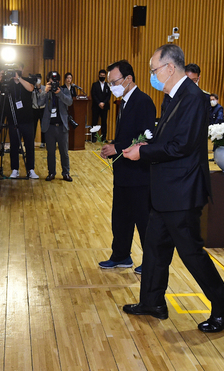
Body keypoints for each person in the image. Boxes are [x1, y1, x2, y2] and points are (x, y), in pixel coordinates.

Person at [122, 44, 224, 333]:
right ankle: (152, 302)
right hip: (166, 190)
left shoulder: (194, 98)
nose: (152, 75)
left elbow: (182, 145)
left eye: (154, 70)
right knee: (154, 248)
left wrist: (144, 152)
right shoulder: (173, 98)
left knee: (192, 255)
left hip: (182, 192)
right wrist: (146, 146)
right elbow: (168, 139)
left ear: (170, 68)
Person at [98, 60, 156, 273]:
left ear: (129, 79)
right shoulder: (123, 102)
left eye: (114, 81)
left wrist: (117, 147)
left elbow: (146, 138)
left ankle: (151, 261)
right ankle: (121, 255)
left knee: (143, 219)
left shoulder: (143, 102)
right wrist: (112, 147)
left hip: (139, 174)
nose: (112, 86)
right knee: (120, 217)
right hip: (123, 172)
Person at [0, 63, 39, 179]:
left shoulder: (27, 80)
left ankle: (31, 169)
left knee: (29, 146)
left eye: (18, 69)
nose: (16, 72)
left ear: (22, 69)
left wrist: (18, 78)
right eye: (14, 70)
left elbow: (30, 88)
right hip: (13, 120)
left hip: (28, 120)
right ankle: (15, 169)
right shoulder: (8, 83)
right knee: (14, 146)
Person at [38, 71, 73, 181]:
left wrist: (59, 93)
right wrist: (45, 92)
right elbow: (39, 103)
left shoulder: (63, 90)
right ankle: (51, 173)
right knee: (50, 152)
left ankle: (66, 173)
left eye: (56, 80)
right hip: (49, 127)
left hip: (62, 126)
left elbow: (69, 102)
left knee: (64, 152)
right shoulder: (46, 91)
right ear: (48, 81)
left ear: (59, 81)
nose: (53, 83)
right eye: (51, 81)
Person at [90, 69, 111, 142]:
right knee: (94, 122)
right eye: (101, 75)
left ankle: (104, 137)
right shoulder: (95, 85)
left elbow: (109, 95)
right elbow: (93, 95)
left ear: (105, 76)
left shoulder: (108, 85)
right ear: (98, 76)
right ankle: (94, 137)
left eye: (103, 76)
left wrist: (103, 103)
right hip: (96, 106)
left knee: (104, 122)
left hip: (105, 106)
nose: (102, 77)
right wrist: (99, 103)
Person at [31, 74, 46, 148]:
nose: (38, 80)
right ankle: (32, 141)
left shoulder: (44, 88)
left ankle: (43, 142)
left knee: (43, 126)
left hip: (42, 109)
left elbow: (45, 97)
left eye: (39, 79)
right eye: (36, 79)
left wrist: (40, 90)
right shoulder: (32, 88)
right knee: (33, 126)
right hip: (34, 109)